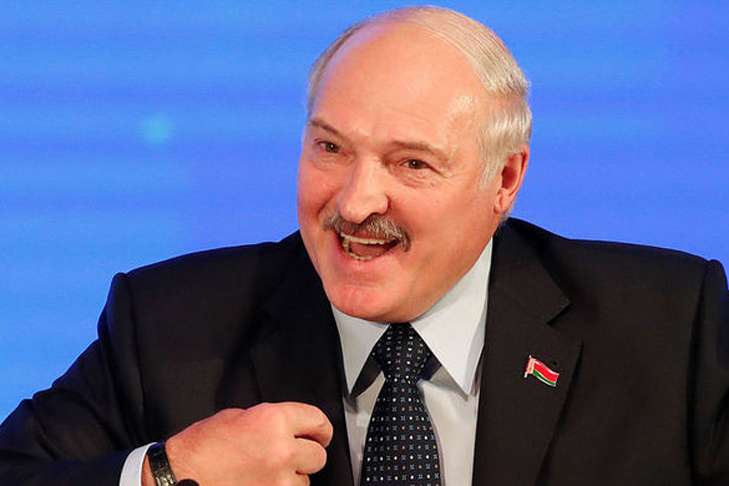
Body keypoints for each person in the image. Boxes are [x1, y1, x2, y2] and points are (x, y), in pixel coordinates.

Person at [1, 5, 727, 486]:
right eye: (330, 148)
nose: (354, 203)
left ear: (504, 179)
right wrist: (167, 474)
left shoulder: (670, 326)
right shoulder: (168, 322)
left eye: (410, 163)